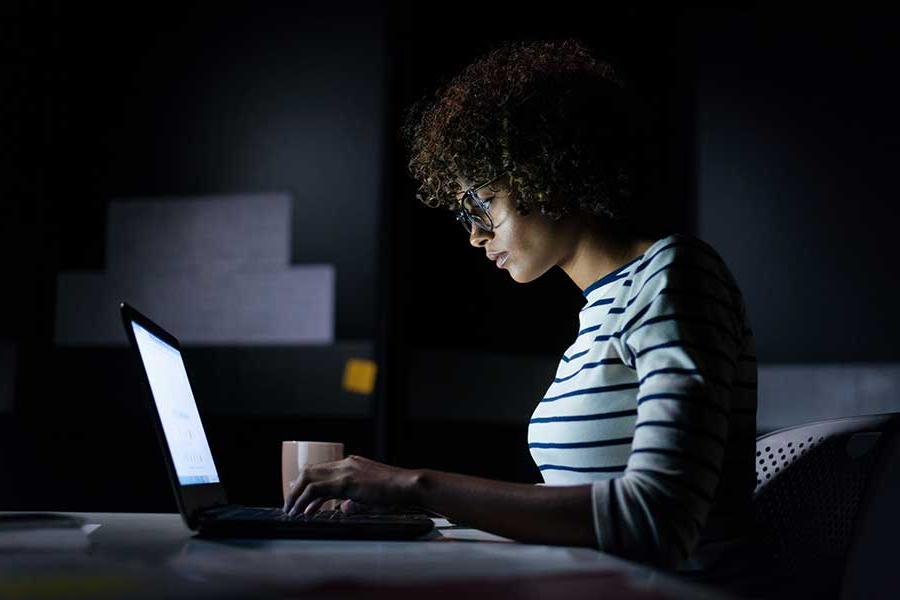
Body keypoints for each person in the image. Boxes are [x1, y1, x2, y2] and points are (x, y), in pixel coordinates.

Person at [284, 39, 778, 598]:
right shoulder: (600, 311)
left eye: (482, 205)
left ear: (547, 169)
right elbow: (580, 507)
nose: (474, 235)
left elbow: (657, 520)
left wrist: (415, 485)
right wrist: (415, 513)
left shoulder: (675, 275)